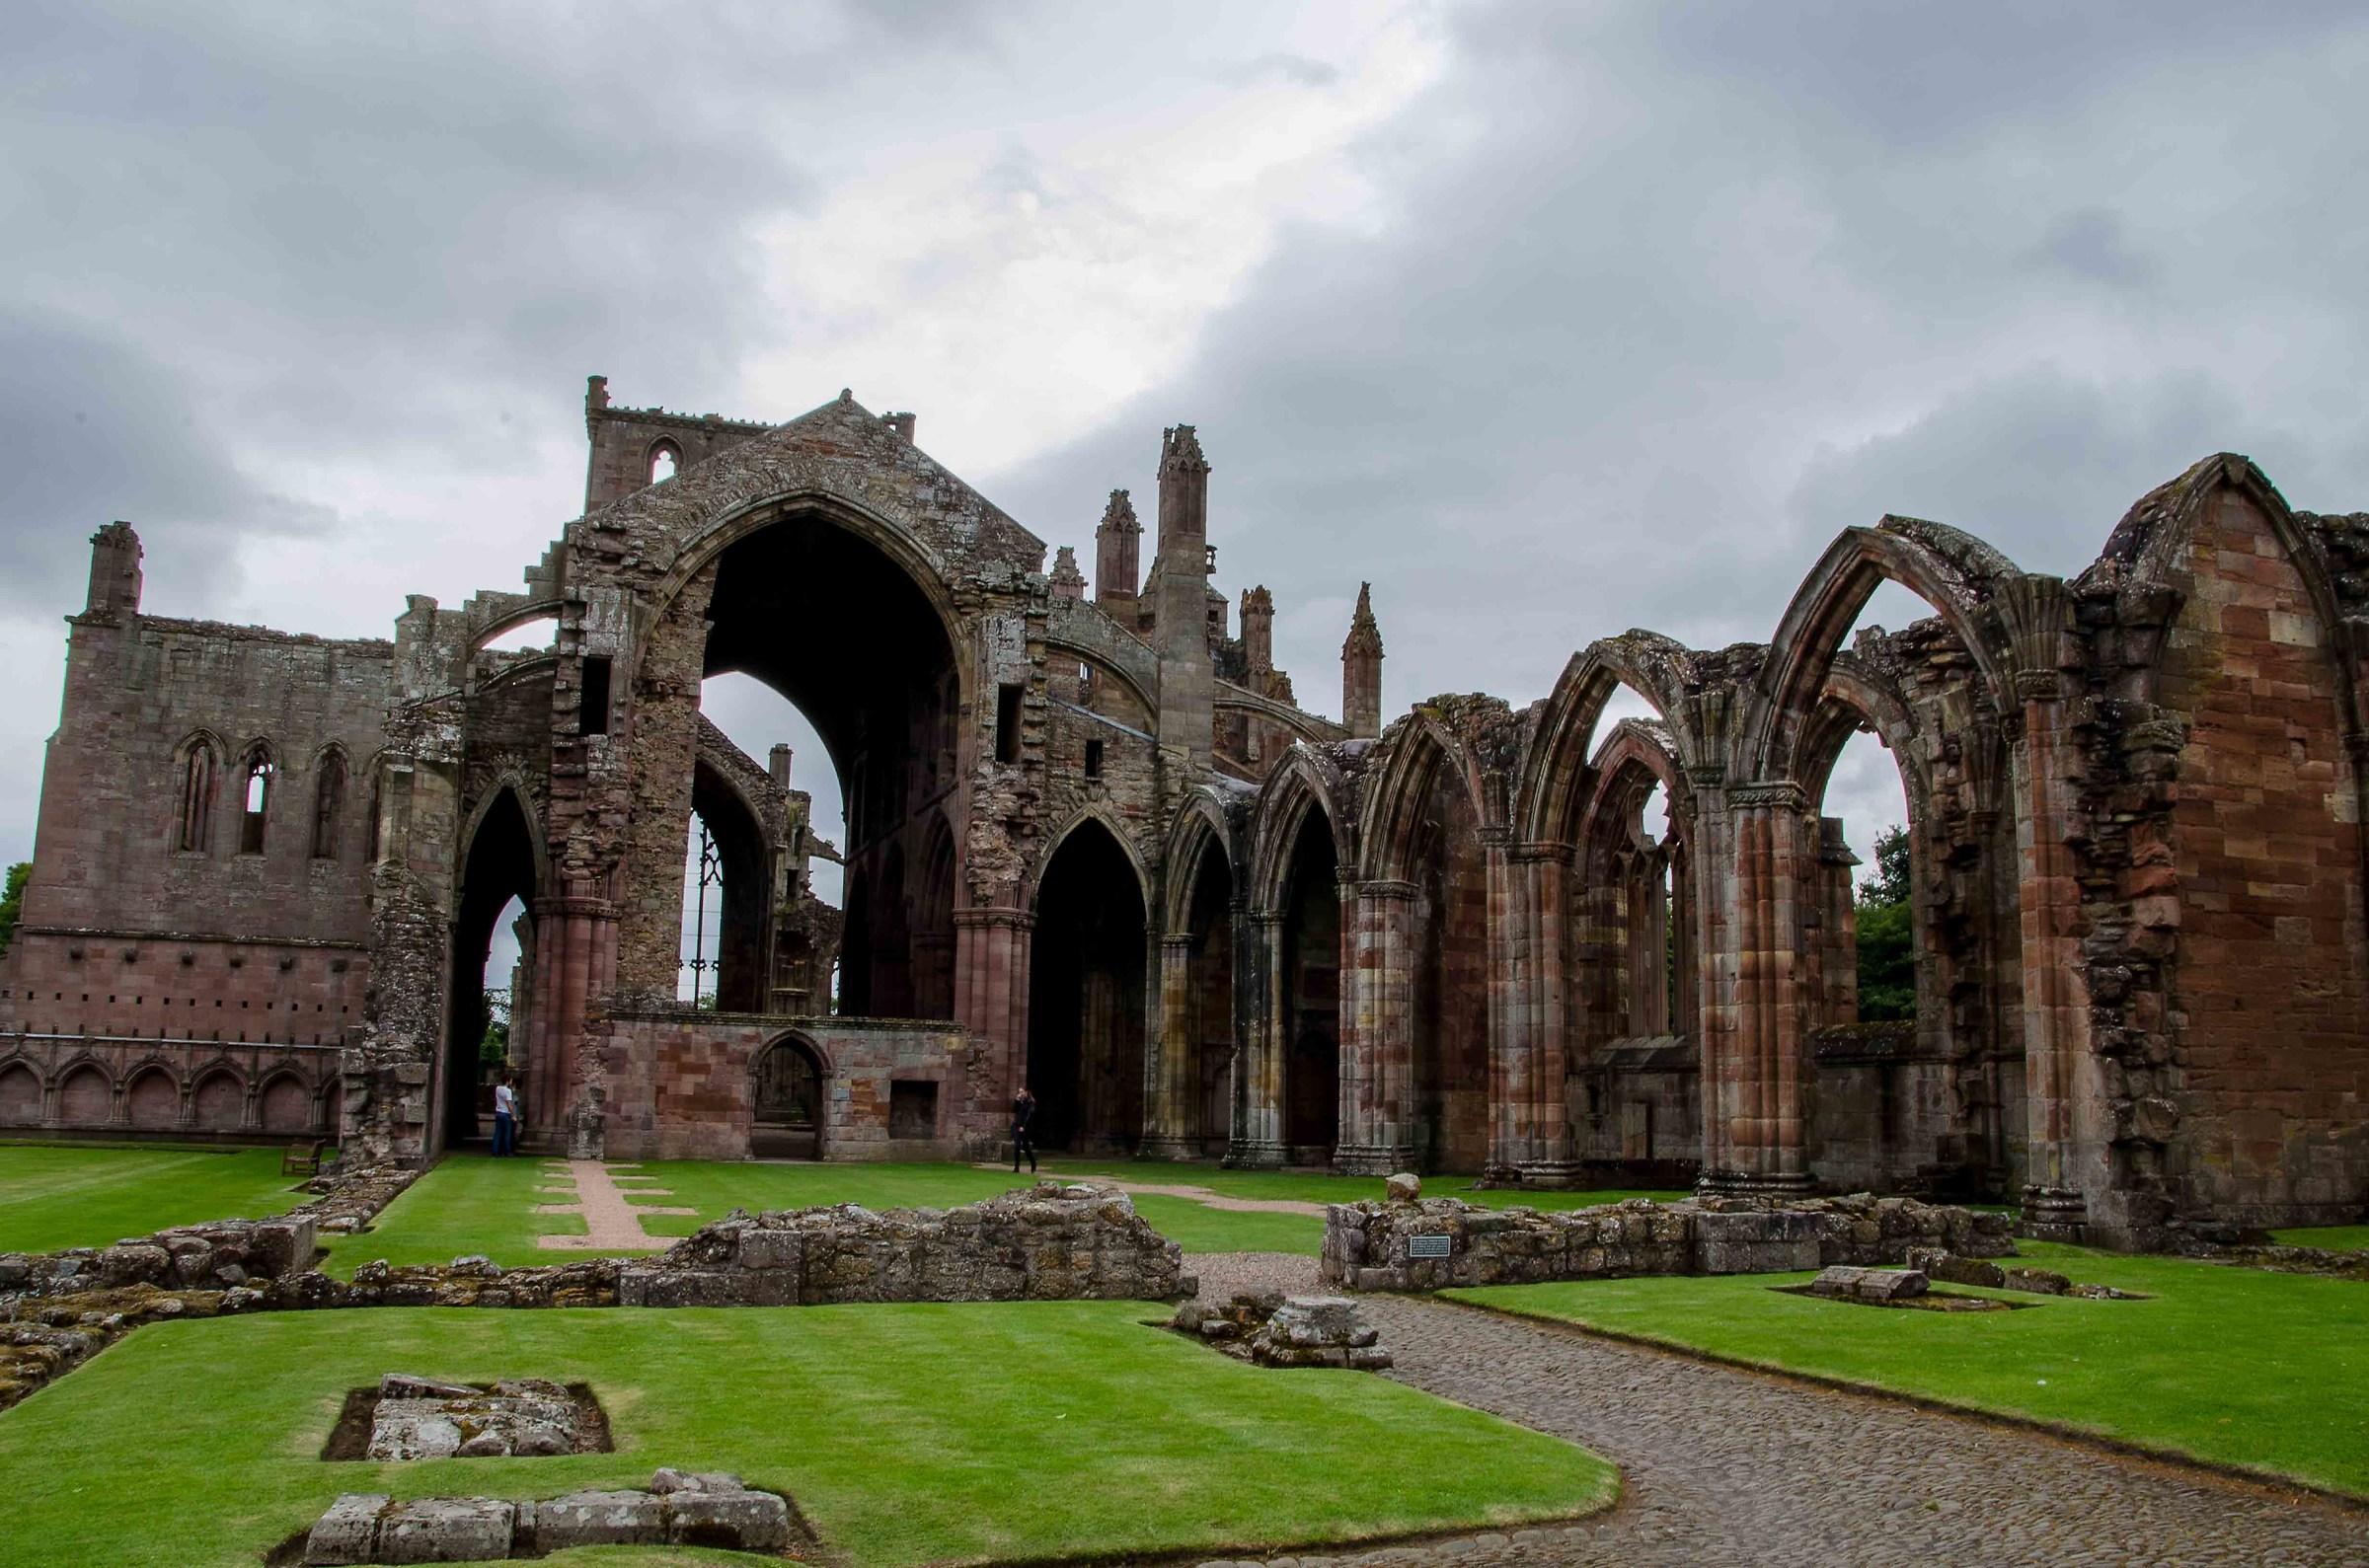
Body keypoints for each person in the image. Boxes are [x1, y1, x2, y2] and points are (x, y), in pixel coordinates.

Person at [1010, 1084, 1037, 1174]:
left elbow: (1029, 1115)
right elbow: (1014, 1110)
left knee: (1025, 1147)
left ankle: (1033, 1163)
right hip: (1016, 1125)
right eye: (1019, 1092)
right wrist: (1016, 1101)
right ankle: (1016, 1167)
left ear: (1026, 1092)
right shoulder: (1019, 1102)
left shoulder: (1030, 1102)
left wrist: (1024, 1126)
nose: (1020, 1094)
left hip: (1026, 1126)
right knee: (1017, 1145)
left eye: (1022, 1092)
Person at [492, 1071, 518, 1157]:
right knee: (507, 1133)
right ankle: (507, 1151)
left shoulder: (498, 1088)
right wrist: (513, 1115)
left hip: (498, 1112)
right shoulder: (508, 1091)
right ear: (508, 1081)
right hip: (506, 1113)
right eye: (510, 1080)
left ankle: (495, 1151)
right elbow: (509, 1104)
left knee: (497, 1133)